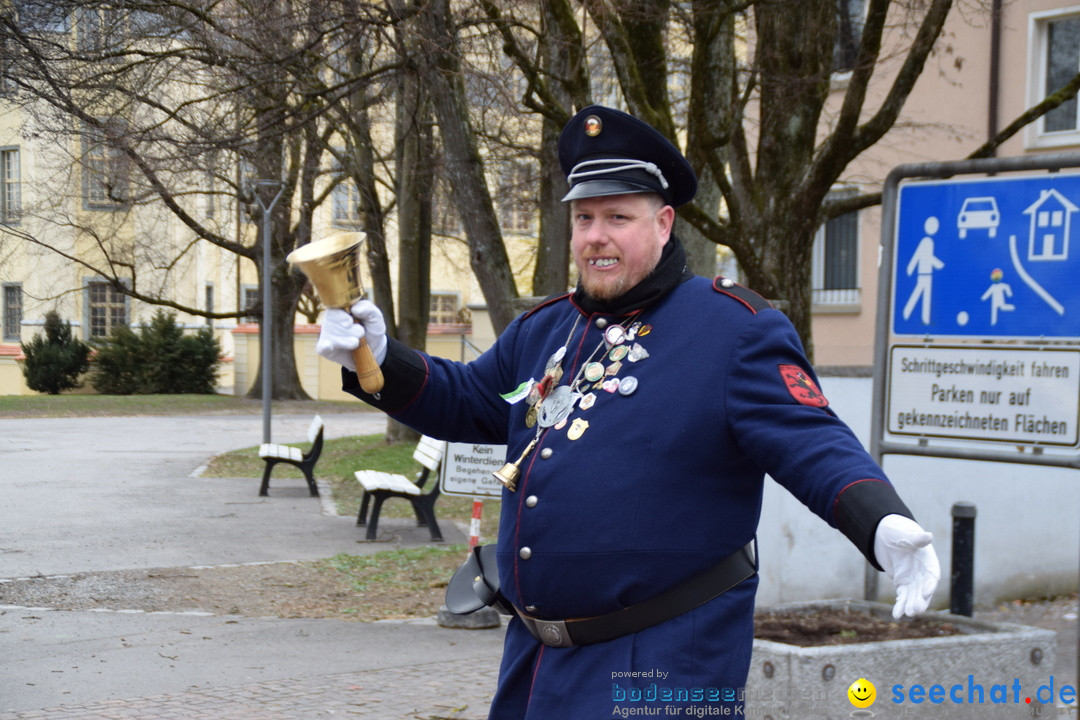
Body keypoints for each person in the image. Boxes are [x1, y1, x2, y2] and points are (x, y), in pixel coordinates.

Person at [316, 105, 940, 719]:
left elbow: (809, 437)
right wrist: (377, 357)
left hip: (664, 666)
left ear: (664, 224)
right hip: (537, 663)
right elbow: (472, 400)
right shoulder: (546, 329)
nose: (596, 236)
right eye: (584, 217)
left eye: (618, 216)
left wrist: (878, 519)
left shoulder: (732, 330)